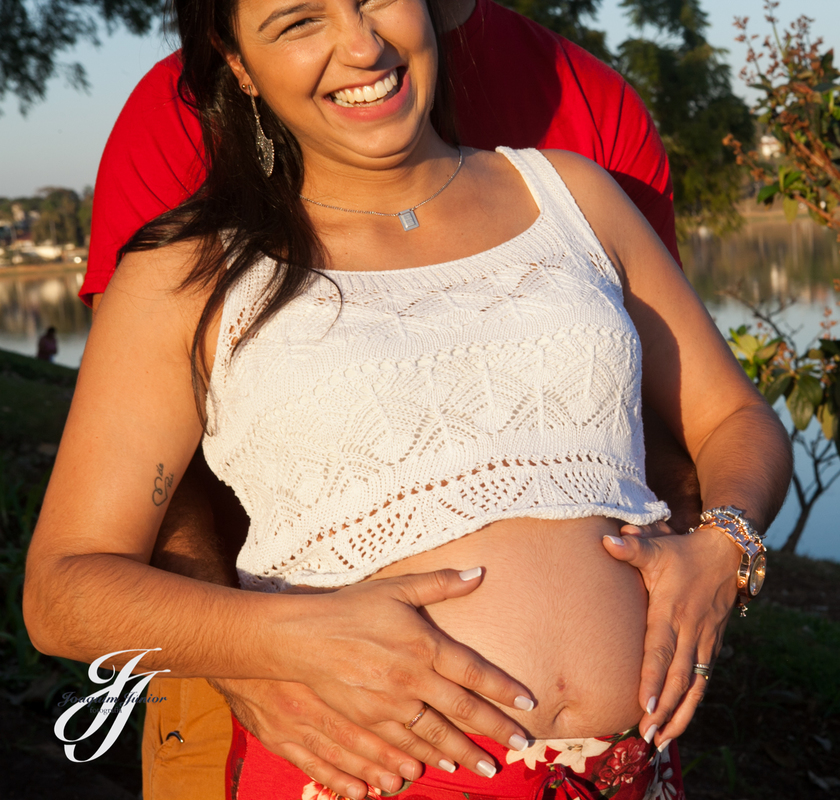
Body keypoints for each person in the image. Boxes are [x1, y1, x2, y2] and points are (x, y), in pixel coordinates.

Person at [26, 0, 791, 798]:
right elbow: (62, 591)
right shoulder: (185, 277)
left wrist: (724, 544)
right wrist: (279, 641)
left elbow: (734, 419)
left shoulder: (575, 196)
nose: (360, 45)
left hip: (627, 772)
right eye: (298, 23)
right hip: (367, 776)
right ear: (241, 65)